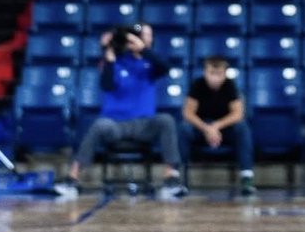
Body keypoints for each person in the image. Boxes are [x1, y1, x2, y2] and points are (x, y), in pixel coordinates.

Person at [54, 23, 187, 199]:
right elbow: (106, 85)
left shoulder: (150, 62)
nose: (141, 40)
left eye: (145, 36)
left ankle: (171, 178)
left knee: (166, 120)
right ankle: (72, 178)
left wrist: (143, 50)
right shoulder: (114, 62)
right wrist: (109, 56)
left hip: (143, 125)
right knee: (99, 125)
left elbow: (165, 68)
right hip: (115, 125)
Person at [180, 55, 256, 197]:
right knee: (184, 129)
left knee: (242, 128)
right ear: (205, 72)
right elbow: (188, 113)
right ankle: (179, 179)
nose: (215, 78)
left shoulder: (230, 85)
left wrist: (216, 126)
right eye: (211, 73)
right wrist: (207, 128)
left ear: (225, 74)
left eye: (219, 74)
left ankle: (247, 178)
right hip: (201, 128)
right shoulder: (198, 84)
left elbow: (238, 114)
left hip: (223, 129)